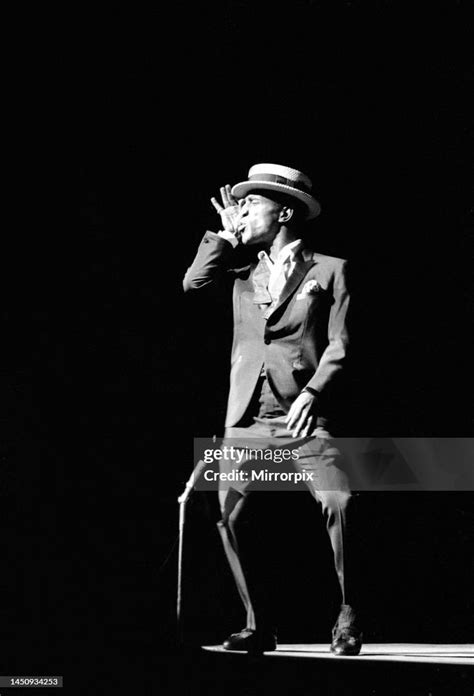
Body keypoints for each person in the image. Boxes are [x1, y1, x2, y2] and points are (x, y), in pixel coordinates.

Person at [183, 163, 362, 656]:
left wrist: (315, 392)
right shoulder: (241, 273)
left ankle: (347, 615)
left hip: (304, 417)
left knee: (340, 503)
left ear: (284, 211)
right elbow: (192, 286)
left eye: (250, 203)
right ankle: (258, 624)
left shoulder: (331, 269)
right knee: (228, 513)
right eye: (237, 205)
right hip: (247, 420)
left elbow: (341, 343)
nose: (241, 211)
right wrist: (222, 236)